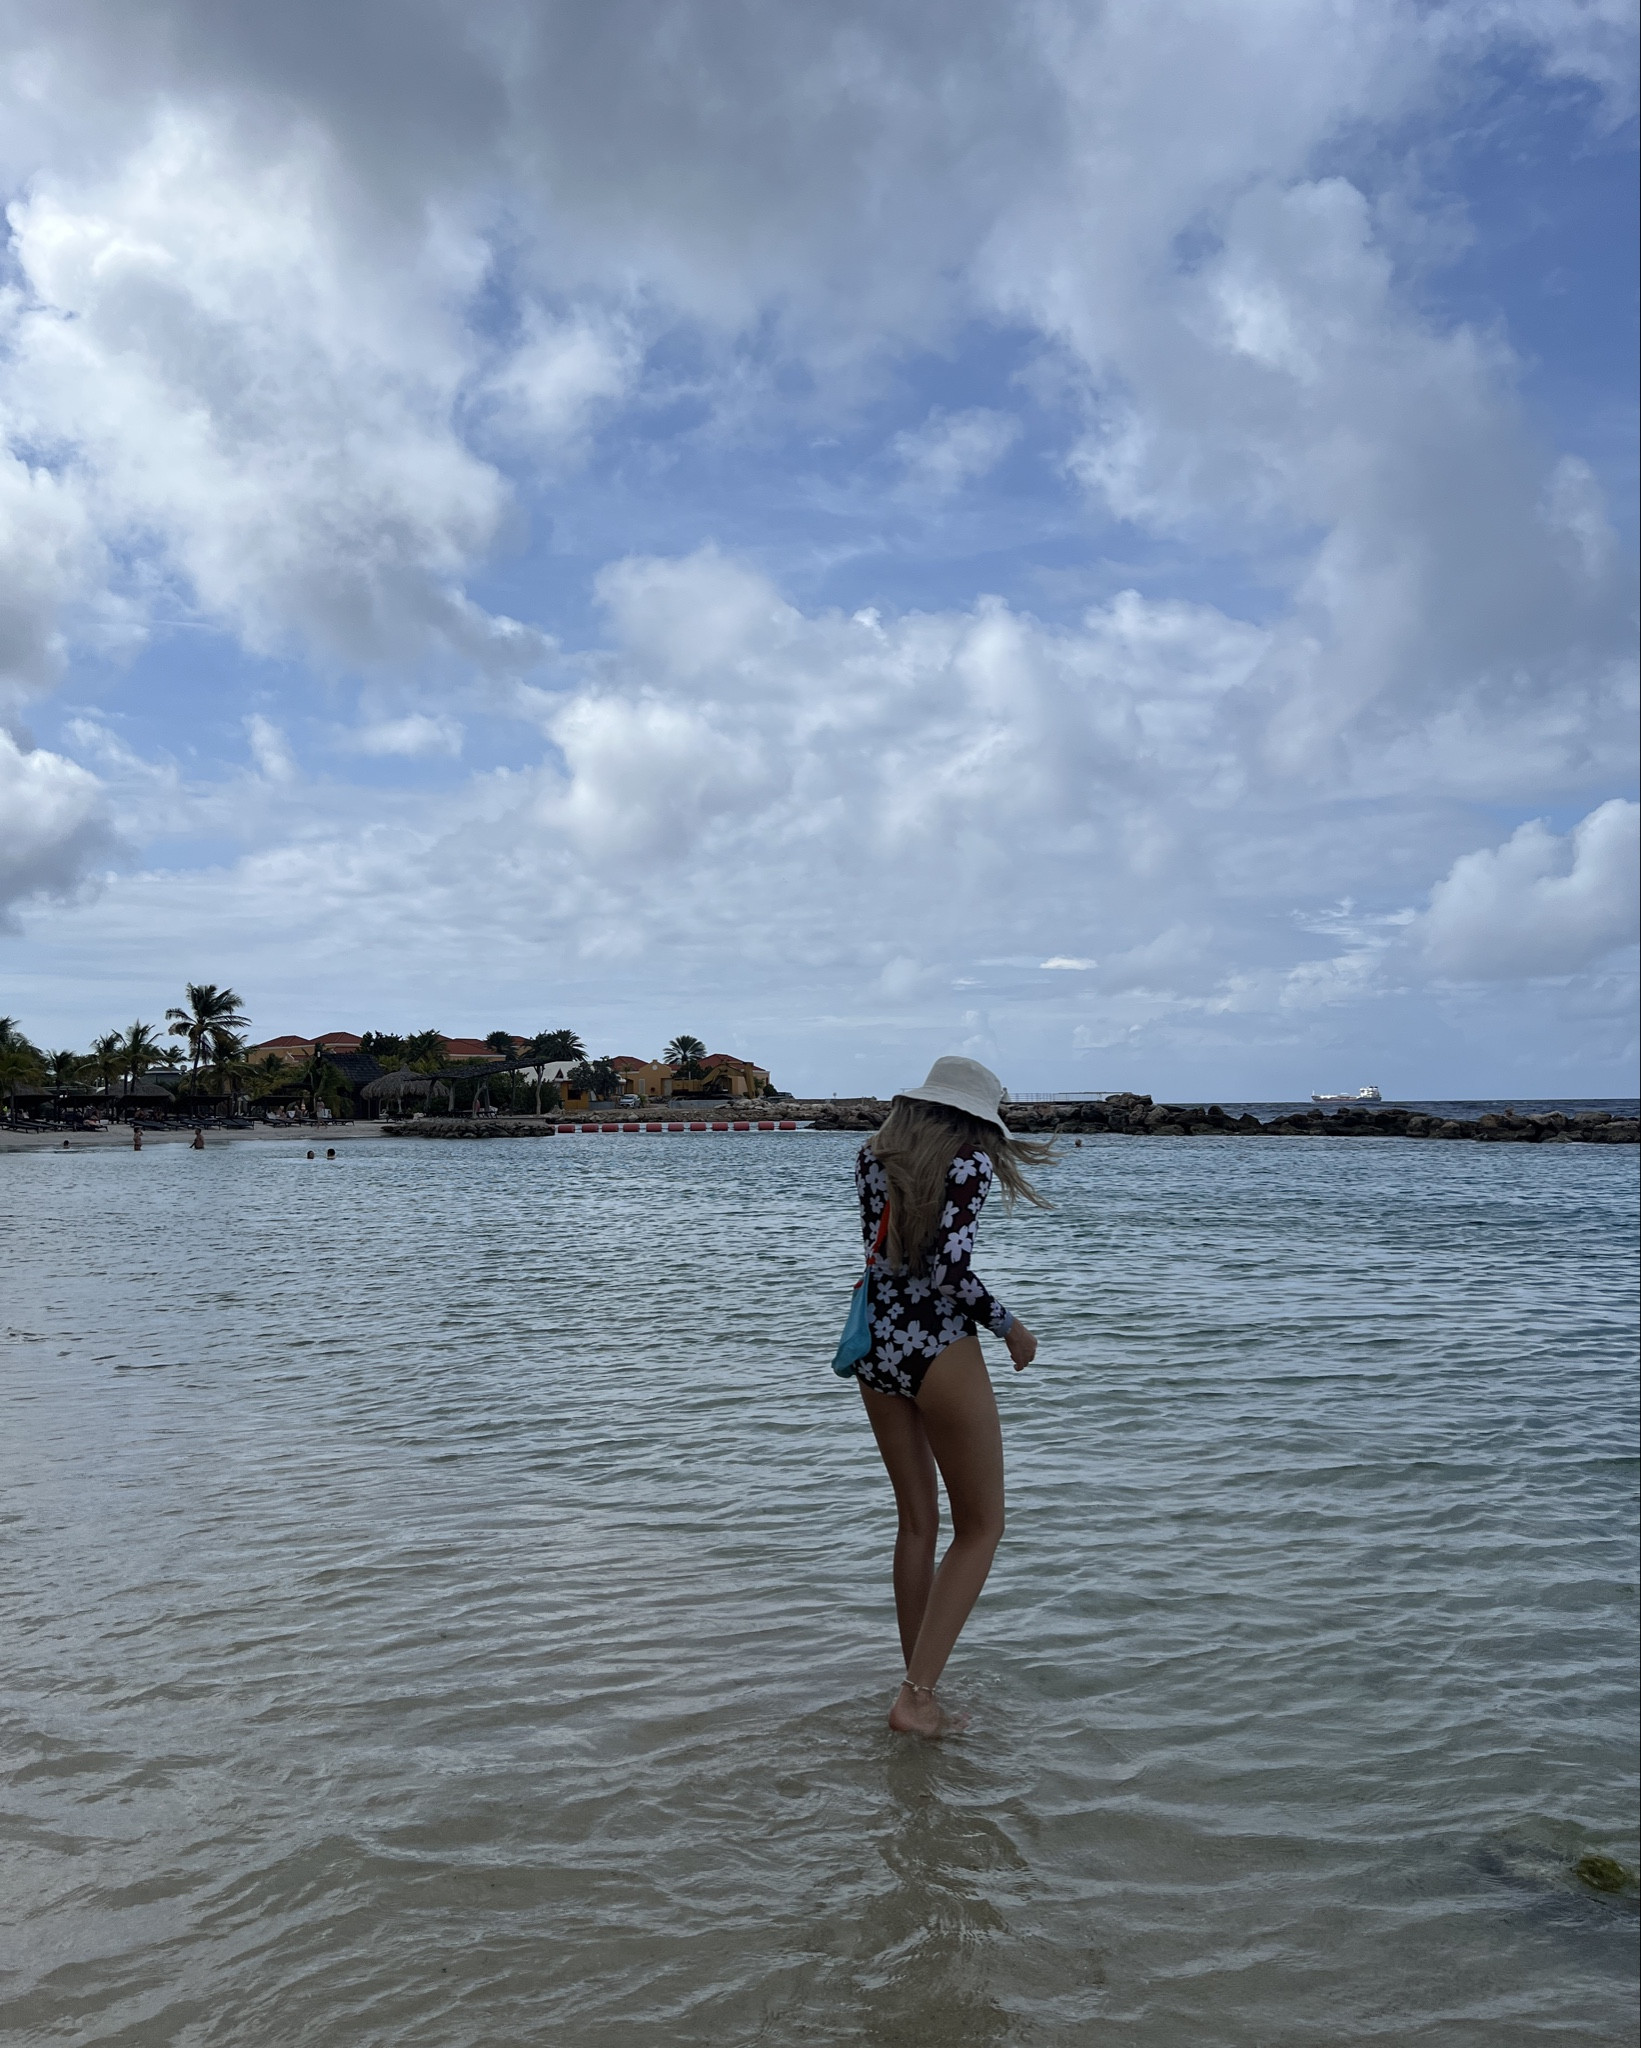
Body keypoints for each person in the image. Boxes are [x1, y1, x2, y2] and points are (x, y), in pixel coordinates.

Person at [850, 1056, 1051, 1737]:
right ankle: (915, 1696)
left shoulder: (870, 1157)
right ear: (972, 1116)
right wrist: (1011, 1329)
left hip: (875, 1341)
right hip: (937, 1343)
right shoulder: (969, 1164)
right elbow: (947, 1273)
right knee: (981, 1527)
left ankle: (919, 1692)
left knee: (915, 1523)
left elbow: (890, 1258)